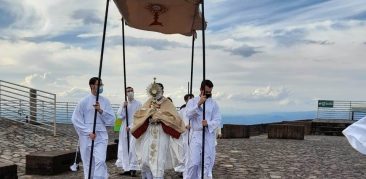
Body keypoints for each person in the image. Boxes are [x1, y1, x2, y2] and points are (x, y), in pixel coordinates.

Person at [131, 79, 186, 179]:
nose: (156, 93)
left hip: (161, 132)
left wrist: (160, 115)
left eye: (158, 90)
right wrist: (149, 113)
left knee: (158, 161)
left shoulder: (167, 103)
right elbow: (139, 114)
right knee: (144, 160)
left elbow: (175, 119)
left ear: (162, 91)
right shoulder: (148, 102)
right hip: (149, 131)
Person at [71, 77, 115, 179]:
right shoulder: (83, 101)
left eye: (102, 85)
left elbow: (112, 120)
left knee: (100, 160)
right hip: (87, 137)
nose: (101, 87)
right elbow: (75, 119)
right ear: (92, 86)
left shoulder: (105, 101)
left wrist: (100, 111)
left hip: (101, 136)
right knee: (88, 163)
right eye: (99, 85)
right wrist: (87, 132)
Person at [184, 80, 222, 179]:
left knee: (206, 162)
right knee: (194, 162)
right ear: (201, 90)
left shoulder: (214, 104)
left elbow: (217, 119)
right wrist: (198, 105)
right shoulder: (192, 102)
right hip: (196, 134)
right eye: (207, 91)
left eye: (210, 91)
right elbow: (188, 115)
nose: (209, 93)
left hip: (208, 135)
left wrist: (208, 123)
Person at [115, 86, 142, 177]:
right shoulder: (123, 104)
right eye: (128, 91)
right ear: (125, 94)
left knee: (132, 148)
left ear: (134, 92)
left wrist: (130, 126)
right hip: (123, 128)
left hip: (134, 127)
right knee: (124, 148)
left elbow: (139, 117)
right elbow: (119, 116)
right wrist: (123, 107)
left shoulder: (138, 104)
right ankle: (126, 168)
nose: (130, 92)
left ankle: (133, 168)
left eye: (131, 91)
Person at [175, 94, 194, 177]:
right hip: (185, 134)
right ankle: (183, 170)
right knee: (185, 153)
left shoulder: (195, 110)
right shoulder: (182, 111)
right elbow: (179, 121)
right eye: (190, 100)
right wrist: (185, 125)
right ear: (186, 100)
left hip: (194, 134)